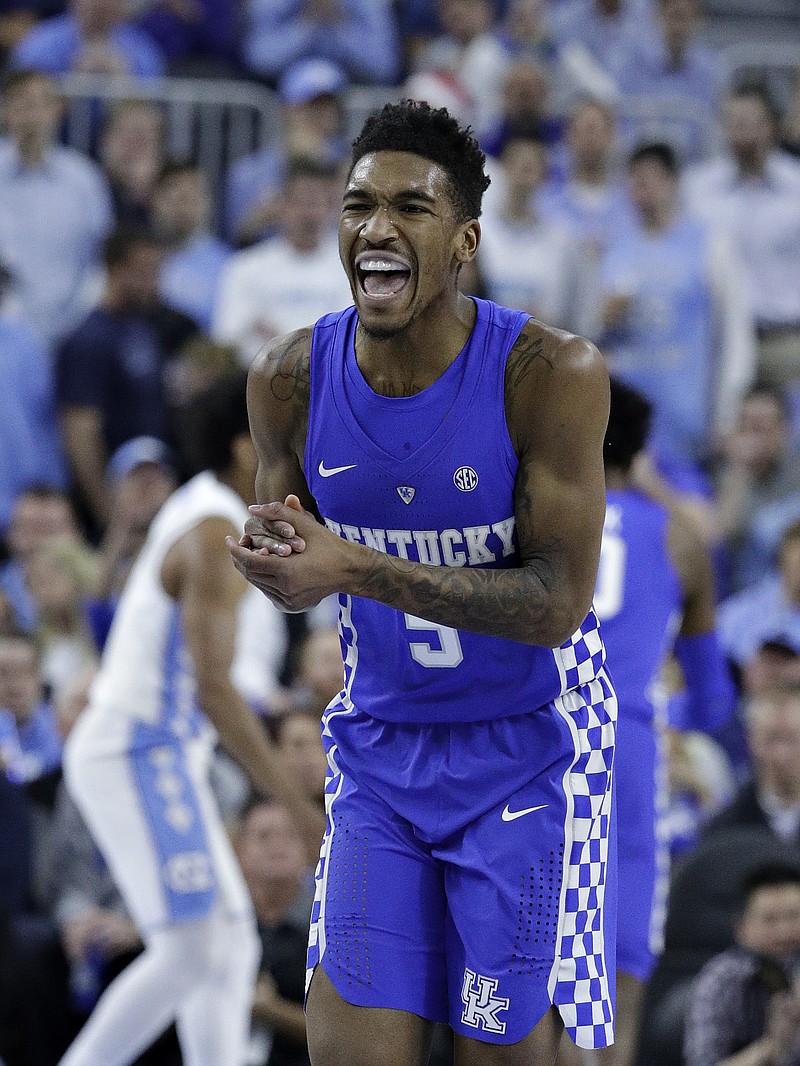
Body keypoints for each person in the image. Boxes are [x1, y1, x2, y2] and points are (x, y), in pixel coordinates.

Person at [228, 99, 616, 1064]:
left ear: (465, 242)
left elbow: (558, 608)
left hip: (536, 750)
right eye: (359, 205)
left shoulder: (548, 373)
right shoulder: (289, 379)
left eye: (411, 207)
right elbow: (296, 565)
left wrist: (352, 565)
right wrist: (277, 569)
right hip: (380, 753)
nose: (376, 229)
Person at [57, 372, 325, 1066]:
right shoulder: (212, 532)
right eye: (286, 431)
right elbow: (213, 690)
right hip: (136, 747)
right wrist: (297, 805)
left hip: (162, 749)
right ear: (245, 446)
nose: (302, 446)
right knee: (190, 947)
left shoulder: (213, 511)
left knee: (229, 939)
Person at [589, 378, 735, 1066]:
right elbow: (713, 704)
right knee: (621, 971)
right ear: (641, 449)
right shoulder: (676, 537)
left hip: (526, 743)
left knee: (531, 976)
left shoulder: (525, 518)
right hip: (625, 749)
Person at [598, 141, 755, 467]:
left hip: (688, 418)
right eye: (635, 182)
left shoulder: (709, 244)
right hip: (628, 419)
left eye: (650, 180)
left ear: (672, 182)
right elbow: (597, 337)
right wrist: (605, 319)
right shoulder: (615, 250)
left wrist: (727, 411)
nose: (643, 191)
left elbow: (735, 334)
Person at [0, 68, 113, 350]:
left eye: (41, 104)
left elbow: (100, 260)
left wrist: (77, 322)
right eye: (21, 103)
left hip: (68, 333)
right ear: (5, 111)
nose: (31, 115)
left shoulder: (84, 180)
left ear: (58, 111)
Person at [684, 861, 800, 1066]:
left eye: (794, 917)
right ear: (741, 928)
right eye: (769, 920)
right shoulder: (721, 980)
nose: (784, 932)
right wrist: (773, 1045)